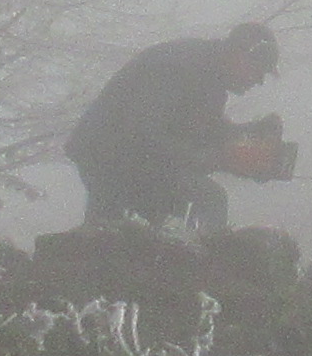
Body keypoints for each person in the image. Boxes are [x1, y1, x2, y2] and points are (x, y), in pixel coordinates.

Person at [65, 22, 287, 234]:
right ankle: (198, 259)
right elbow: (143, 134)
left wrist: (248, 136)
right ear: (238, 53)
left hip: (127, 156)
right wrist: (217, 158)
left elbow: (203, 131)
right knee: (207, 200)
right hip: (110, 156)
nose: (258, 80)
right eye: (257, 70)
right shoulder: (177, 68)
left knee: (189, 209)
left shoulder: (209, 76)